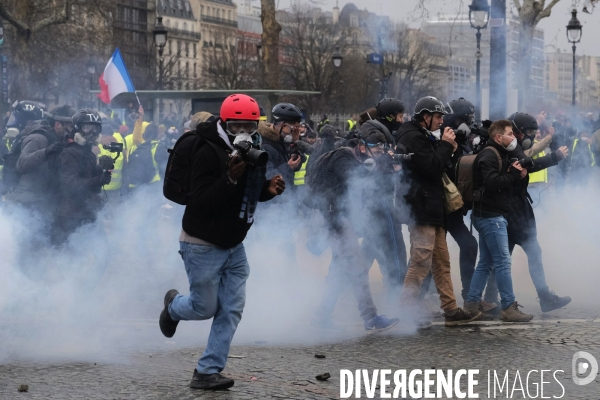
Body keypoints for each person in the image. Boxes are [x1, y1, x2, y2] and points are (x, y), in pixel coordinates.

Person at [158, 94, 285, 390]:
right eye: (236, 125)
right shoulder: (208, 150)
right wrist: (228, 177)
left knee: (231, 308)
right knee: (204, 308)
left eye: (249, 125)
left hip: (234, 244)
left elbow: (246, 195)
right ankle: (174, 306)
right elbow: (200, 202)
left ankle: (207, 371)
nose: (243, 132)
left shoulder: (255, 147)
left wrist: (267, 189)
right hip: (201, 242)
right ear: (224, 124)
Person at [395, 96, 480, 327]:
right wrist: (445, 145)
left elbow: (437, 164)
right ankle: (406, 310)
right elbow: (431, 168)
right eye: (438, 116)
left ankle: (450, 308)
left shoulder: (421, 135)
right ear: (425, 116)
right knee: (421, 260)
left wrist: (449, 149)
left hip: (432, 207)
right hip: (421, 208)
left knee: (442, 261)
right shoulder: (413, 137)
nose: (442, 120)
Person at [482, 112, 571, 314]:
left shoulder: (511, 146)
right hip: (513, 210)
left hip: (515, 208)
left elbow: (528, 162)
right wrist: (554, 157)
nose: (529, 136)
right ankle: (544, 297)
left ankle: (489, 299)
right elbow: (527, 164)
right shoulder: (507, 148)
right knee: (530, 252)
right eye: (528, 132)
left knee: (503, 257)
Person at [311, 131, 399, 333]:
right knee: (357, 266)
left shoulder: (356, 158)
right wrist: (380, 167)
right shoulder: (344, 157)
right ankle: (370, 317)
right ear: (362, 147)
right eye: (375, 151)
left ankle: (320, 316)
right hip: (335, 220)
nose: (377, 155)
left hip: (339, 219)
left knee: (339, 271)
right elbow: (355, 180)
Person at [464, 119, 533, 323]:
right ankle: (508, 307)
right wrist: (512, 173)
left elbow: (501, 181)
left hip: (491, 215)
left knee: (486, 262)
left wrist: (515, 173)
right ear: (498, 137)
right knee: (502, 262)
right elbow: (493, 183)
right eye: (510, 134)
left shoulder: (499, 153)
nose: (514, 138)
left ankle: (471, 303)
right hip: (490, 216)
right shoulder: (489, 155)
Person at [5, 103, 73, 223]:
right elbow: (22, 164)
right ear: (57, 124)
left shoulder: (59, 139)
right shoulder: (39, 139)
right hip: (27, 204)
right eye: (69, 126)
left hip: (43, 201)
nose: (72, 130)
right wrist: (46, 152)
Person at [54, 109, 111, 241]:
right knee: (71, 258)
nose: (92, 133)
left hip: (87, 212)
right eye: (87, 128)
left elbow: (93, 187)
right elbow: (70, 185)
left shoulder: (88, 153)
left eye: (95, 129)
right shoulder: (69, 153)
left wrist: (102, 172)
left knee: (104, 254)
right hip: (71, 216)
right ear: (77, 129)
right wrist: (97, 180)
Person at [260, 103, 304, 201]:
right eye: (293, 129)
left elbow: (297, 165)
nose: (294, 133)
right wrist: (288, 167)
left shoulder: (283, 141)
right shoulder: (265, 146)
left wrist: (296, 144)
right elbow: (268, 178)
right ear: (282, 125)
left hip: (287, 202)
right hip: (274, 204)